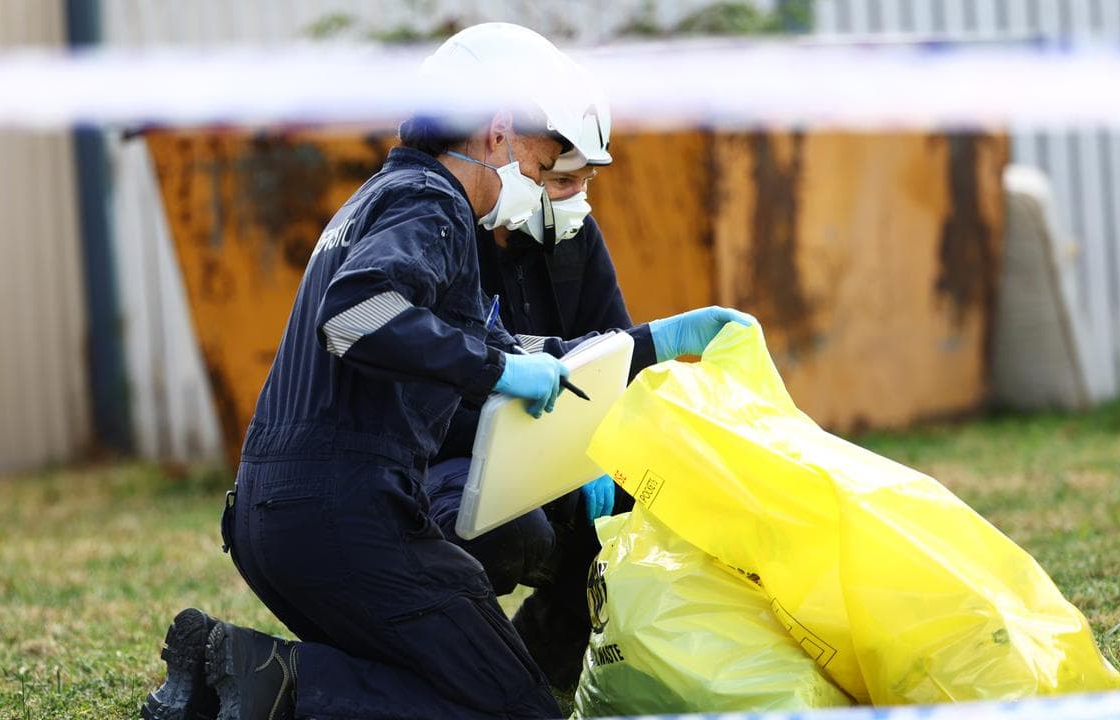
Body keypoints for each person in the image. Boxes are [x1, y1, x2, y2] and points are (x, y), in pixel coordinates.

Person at [141, 23, 751, 720]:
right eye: (547, 157)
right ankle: (271, 677)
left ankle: (244, 677)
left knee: (454, 680)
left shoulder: (381, 197)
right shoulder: (432, 206)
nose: (547, 181)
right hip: (348, 515)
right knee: (515, 710)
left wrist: (657, 342)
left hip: (275, 516)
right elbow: (355, 318)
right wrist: (492, 370)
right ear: (499, 134)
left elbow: (519, 352)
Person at [426, 91, 640, 694]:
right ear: (522, 161)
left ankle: (537, 680)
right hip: (452, 455)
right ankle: (459, 683)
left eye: (585, 181)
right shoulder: (444, 232)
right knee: (511, 538)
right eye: (561, 179)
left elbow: (614, 353)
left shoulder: (578, 240)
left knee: (629, 526)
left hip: (562, 451)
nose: (576, 197)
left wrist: (604, 452)